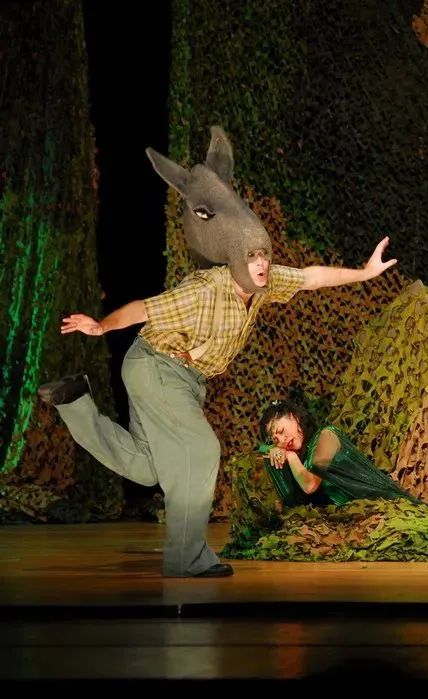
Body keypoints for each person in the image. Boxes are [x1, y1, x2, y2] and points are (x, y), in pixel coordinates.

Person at [37, 127, 397, 579]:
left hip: (183, 379)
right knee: (202, 449)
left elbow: (310, 277)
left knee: (149, 468)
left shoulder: (265, 285)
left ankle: (74, 401)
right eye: (253, 259)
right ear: (235, 258)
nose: (262, 265)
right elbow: (144, 309)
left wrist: (363, 274)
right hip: (158, 366)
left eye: (264, 257)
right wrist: (101, 325)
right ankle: (187, 559)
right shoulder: (206, 289)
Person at [259, 399, 415, 507]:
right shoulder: (304, 457)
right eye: (276, 439)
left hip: (381, 505)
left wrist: (290, 455)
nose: (282, 440)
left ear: (295, 417)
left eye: (281, 431)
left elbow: (310, 485)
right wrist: (273, 448)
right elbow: (260, 448)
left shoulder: (328, 436)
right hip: (351, 518)